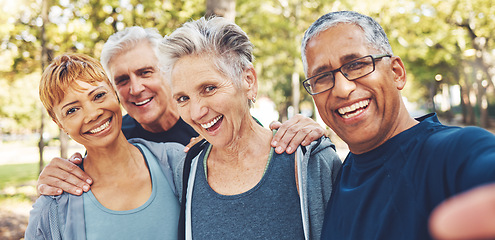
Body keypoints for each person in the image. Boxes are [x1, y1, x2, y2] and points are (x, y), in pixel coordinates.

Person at [37, 26, 326, 197]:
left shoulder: (217, 120)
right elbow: (87, 177)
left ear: (166, 73)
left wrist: (303, 129)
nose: (135, 88)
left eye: (145, 72)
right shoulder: (116, 137)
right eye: (122, 80)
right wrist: (57, 174)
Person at [300, 10, 495, 239]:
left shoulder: (456, 151)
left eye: (356, 65)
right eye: (322, 77)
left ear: (396, 73)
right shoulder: (331, 176)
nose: (342, 89)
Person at [157, 16, 341, 239]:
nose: (196, 112)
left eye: (209, 88)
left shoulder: (310, 161)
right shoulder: (186, 170)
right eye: (183, 98)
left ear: (248, 80)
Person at [25, 53, 184, 239]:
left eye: (99, 95)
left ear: (114, 93)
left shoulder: (176, 163)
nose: (92, 114)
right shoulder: (53, 207)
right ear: (59, 123)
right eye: (72, 110)